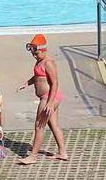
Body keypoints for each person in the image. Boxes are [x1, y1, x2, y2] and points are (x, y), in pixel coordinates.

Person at [17, 34, 68, 164]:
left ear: (44, 50)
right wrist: (27, 83)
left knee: (39, 125)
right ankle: (62, 152)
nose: (34, 56)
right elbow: (37, 77)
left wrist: (50, 103)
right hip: (48, 97)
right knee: (53, 124)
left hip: (49, 97)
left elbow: (55, 83)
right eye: (33, 54)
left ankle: (33, 156)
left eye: (36, 53)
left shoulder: (48, 62)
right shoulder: (39, 61)